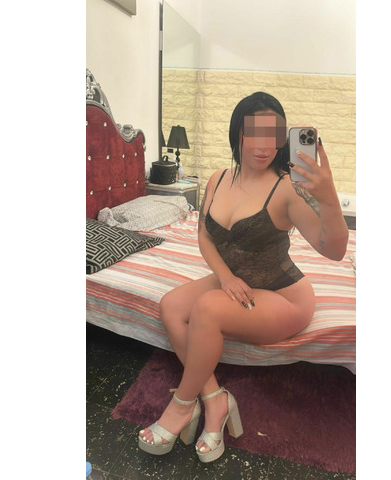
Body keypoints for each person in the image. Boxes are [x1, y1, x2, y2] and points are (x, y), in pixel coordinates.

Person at [138, 91, 349, 462]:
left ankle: (181, 406)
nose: (264, 145)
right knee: (171, 305)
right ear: (238, 132)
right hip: (237, 281)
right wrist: (225, 277)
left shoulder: (287, 188)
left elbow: (334, 250)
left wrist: (329, 198)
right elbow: (204, 236)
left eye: (274, 135)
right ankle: (215, 399)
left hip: (284, 296)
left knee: (207, 309)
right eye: (255, 133)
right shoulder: (218, 179)